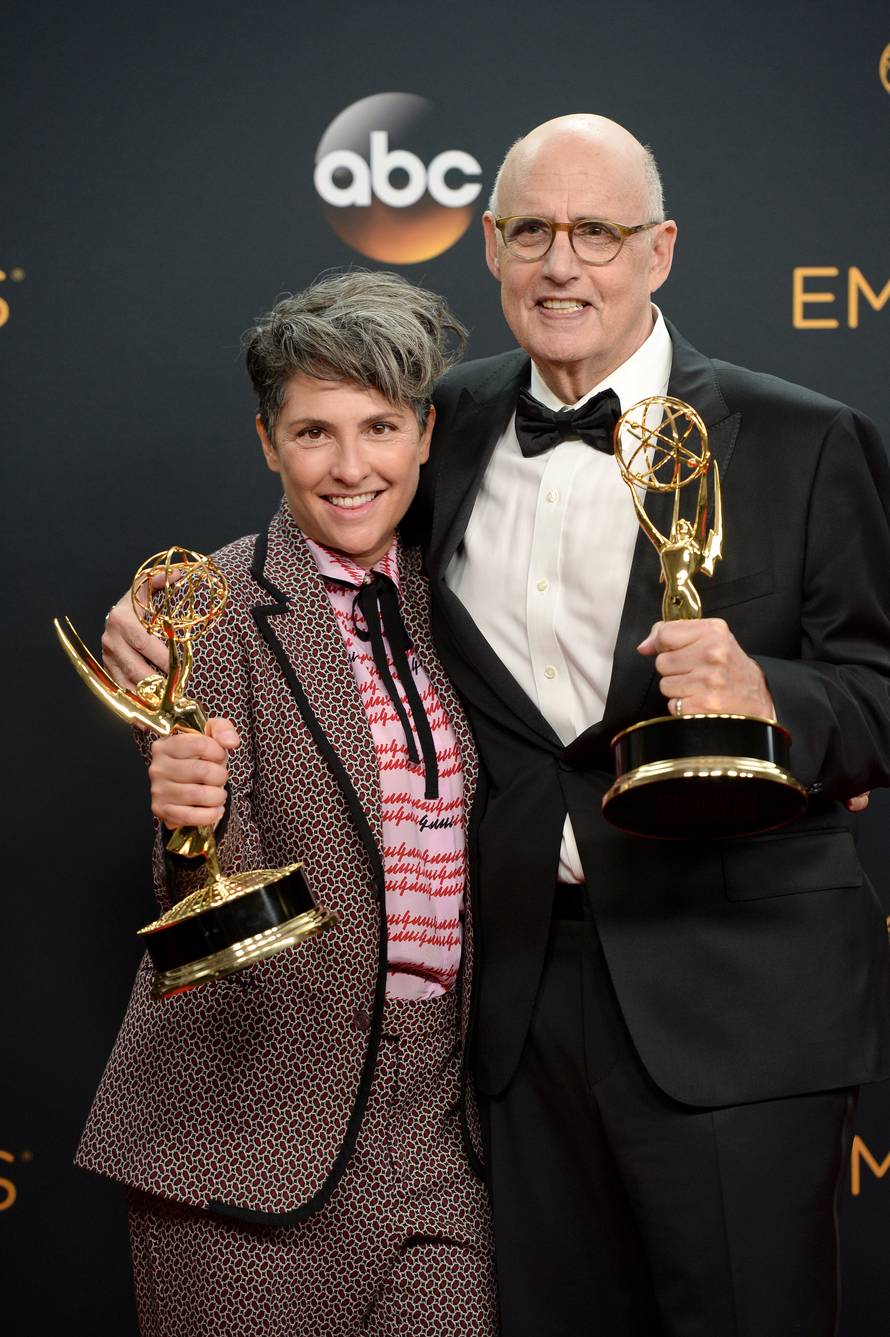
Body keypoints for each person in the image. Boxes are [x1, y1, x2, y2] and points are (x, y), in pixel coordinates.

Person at [105, 115, 890, 1337]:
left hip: (731, 994)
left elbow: (876, 696)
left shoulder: (800, 437)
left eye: (596, 233)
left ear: (661, 250)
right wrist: (158, 611)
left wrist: (768, 695)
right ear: (489, 245)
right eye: (530, 231)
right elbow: (316, 533)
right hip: (511, 1012)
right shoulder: (445, 417)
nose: (560, 264)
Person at [77, 270, 498, 1337]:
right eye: (313, 431)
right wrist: (191, 821)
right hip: (251, 1121)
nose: (350, 466)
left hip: (443, 1127)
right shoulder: (205, 609)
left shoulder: (473, 597)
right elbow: (205, 896)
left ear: (424, 433)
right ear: (267, 441)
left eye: (379, 426)